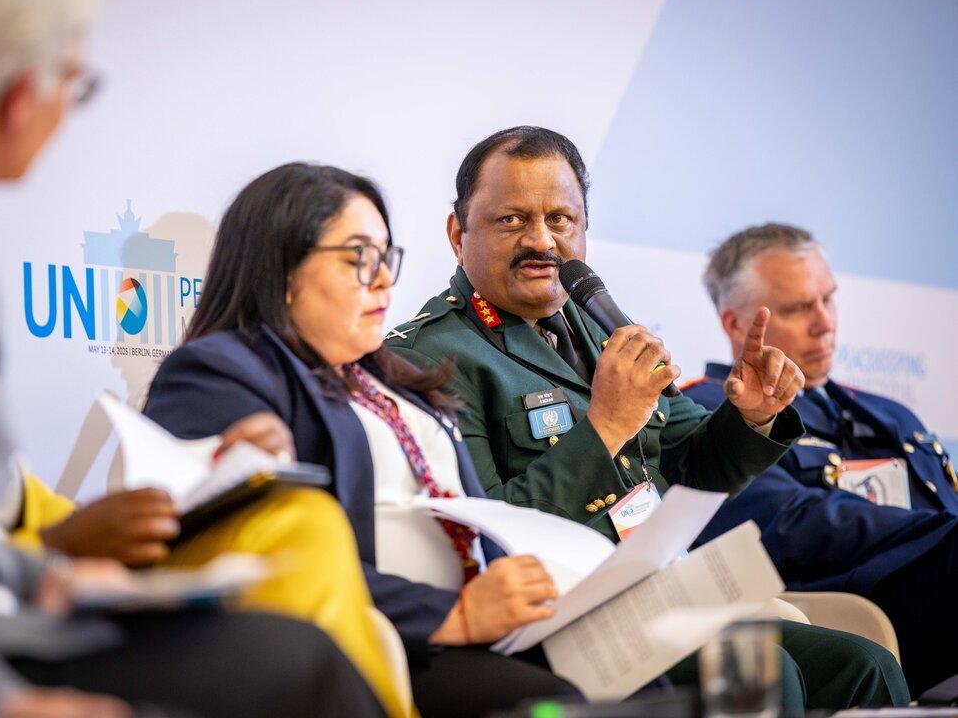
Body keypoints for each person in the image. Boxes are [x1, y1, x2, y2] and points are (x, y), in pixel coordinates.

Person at [0, 0, 393, 715]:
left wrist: (49, 570)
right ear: (22, 96)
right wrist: (5, 691)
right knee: (300, 660)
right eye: (75, 84)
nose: (378, 283)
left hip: (1, 608)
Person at [385, 126, 909, 711]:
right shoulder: (426, 358)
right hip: (550, 624)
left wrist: (750, 418)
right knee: (761, 673)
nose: (542, 240)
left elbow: (695, 462)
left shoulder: (596, 321)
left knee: (865, 666)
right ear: (458, 233)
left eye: (561, 219)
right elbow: (483, 544)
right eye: (512, 220)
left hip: (653, 594)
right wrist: (604, 429)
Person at [144, 162, 589, 718]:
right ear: (281, 265)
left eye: (386, 258)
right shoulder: (221, 372)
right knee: (556, 706)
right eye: (359, 258)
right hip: (385, 646)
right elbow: (255, 559)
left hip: (501, 634)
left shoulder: (396, 377)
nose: (383, 280)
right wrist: (454, 612)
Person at [684, 222, 958, 696]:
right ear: (734, 323)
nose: (825, 322)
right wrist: (939, 534)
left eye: (827, 299)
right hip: (839, 601)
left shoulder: (889, 413)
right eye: (796, 308)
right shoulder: (712, 409)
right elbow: (789, 526)